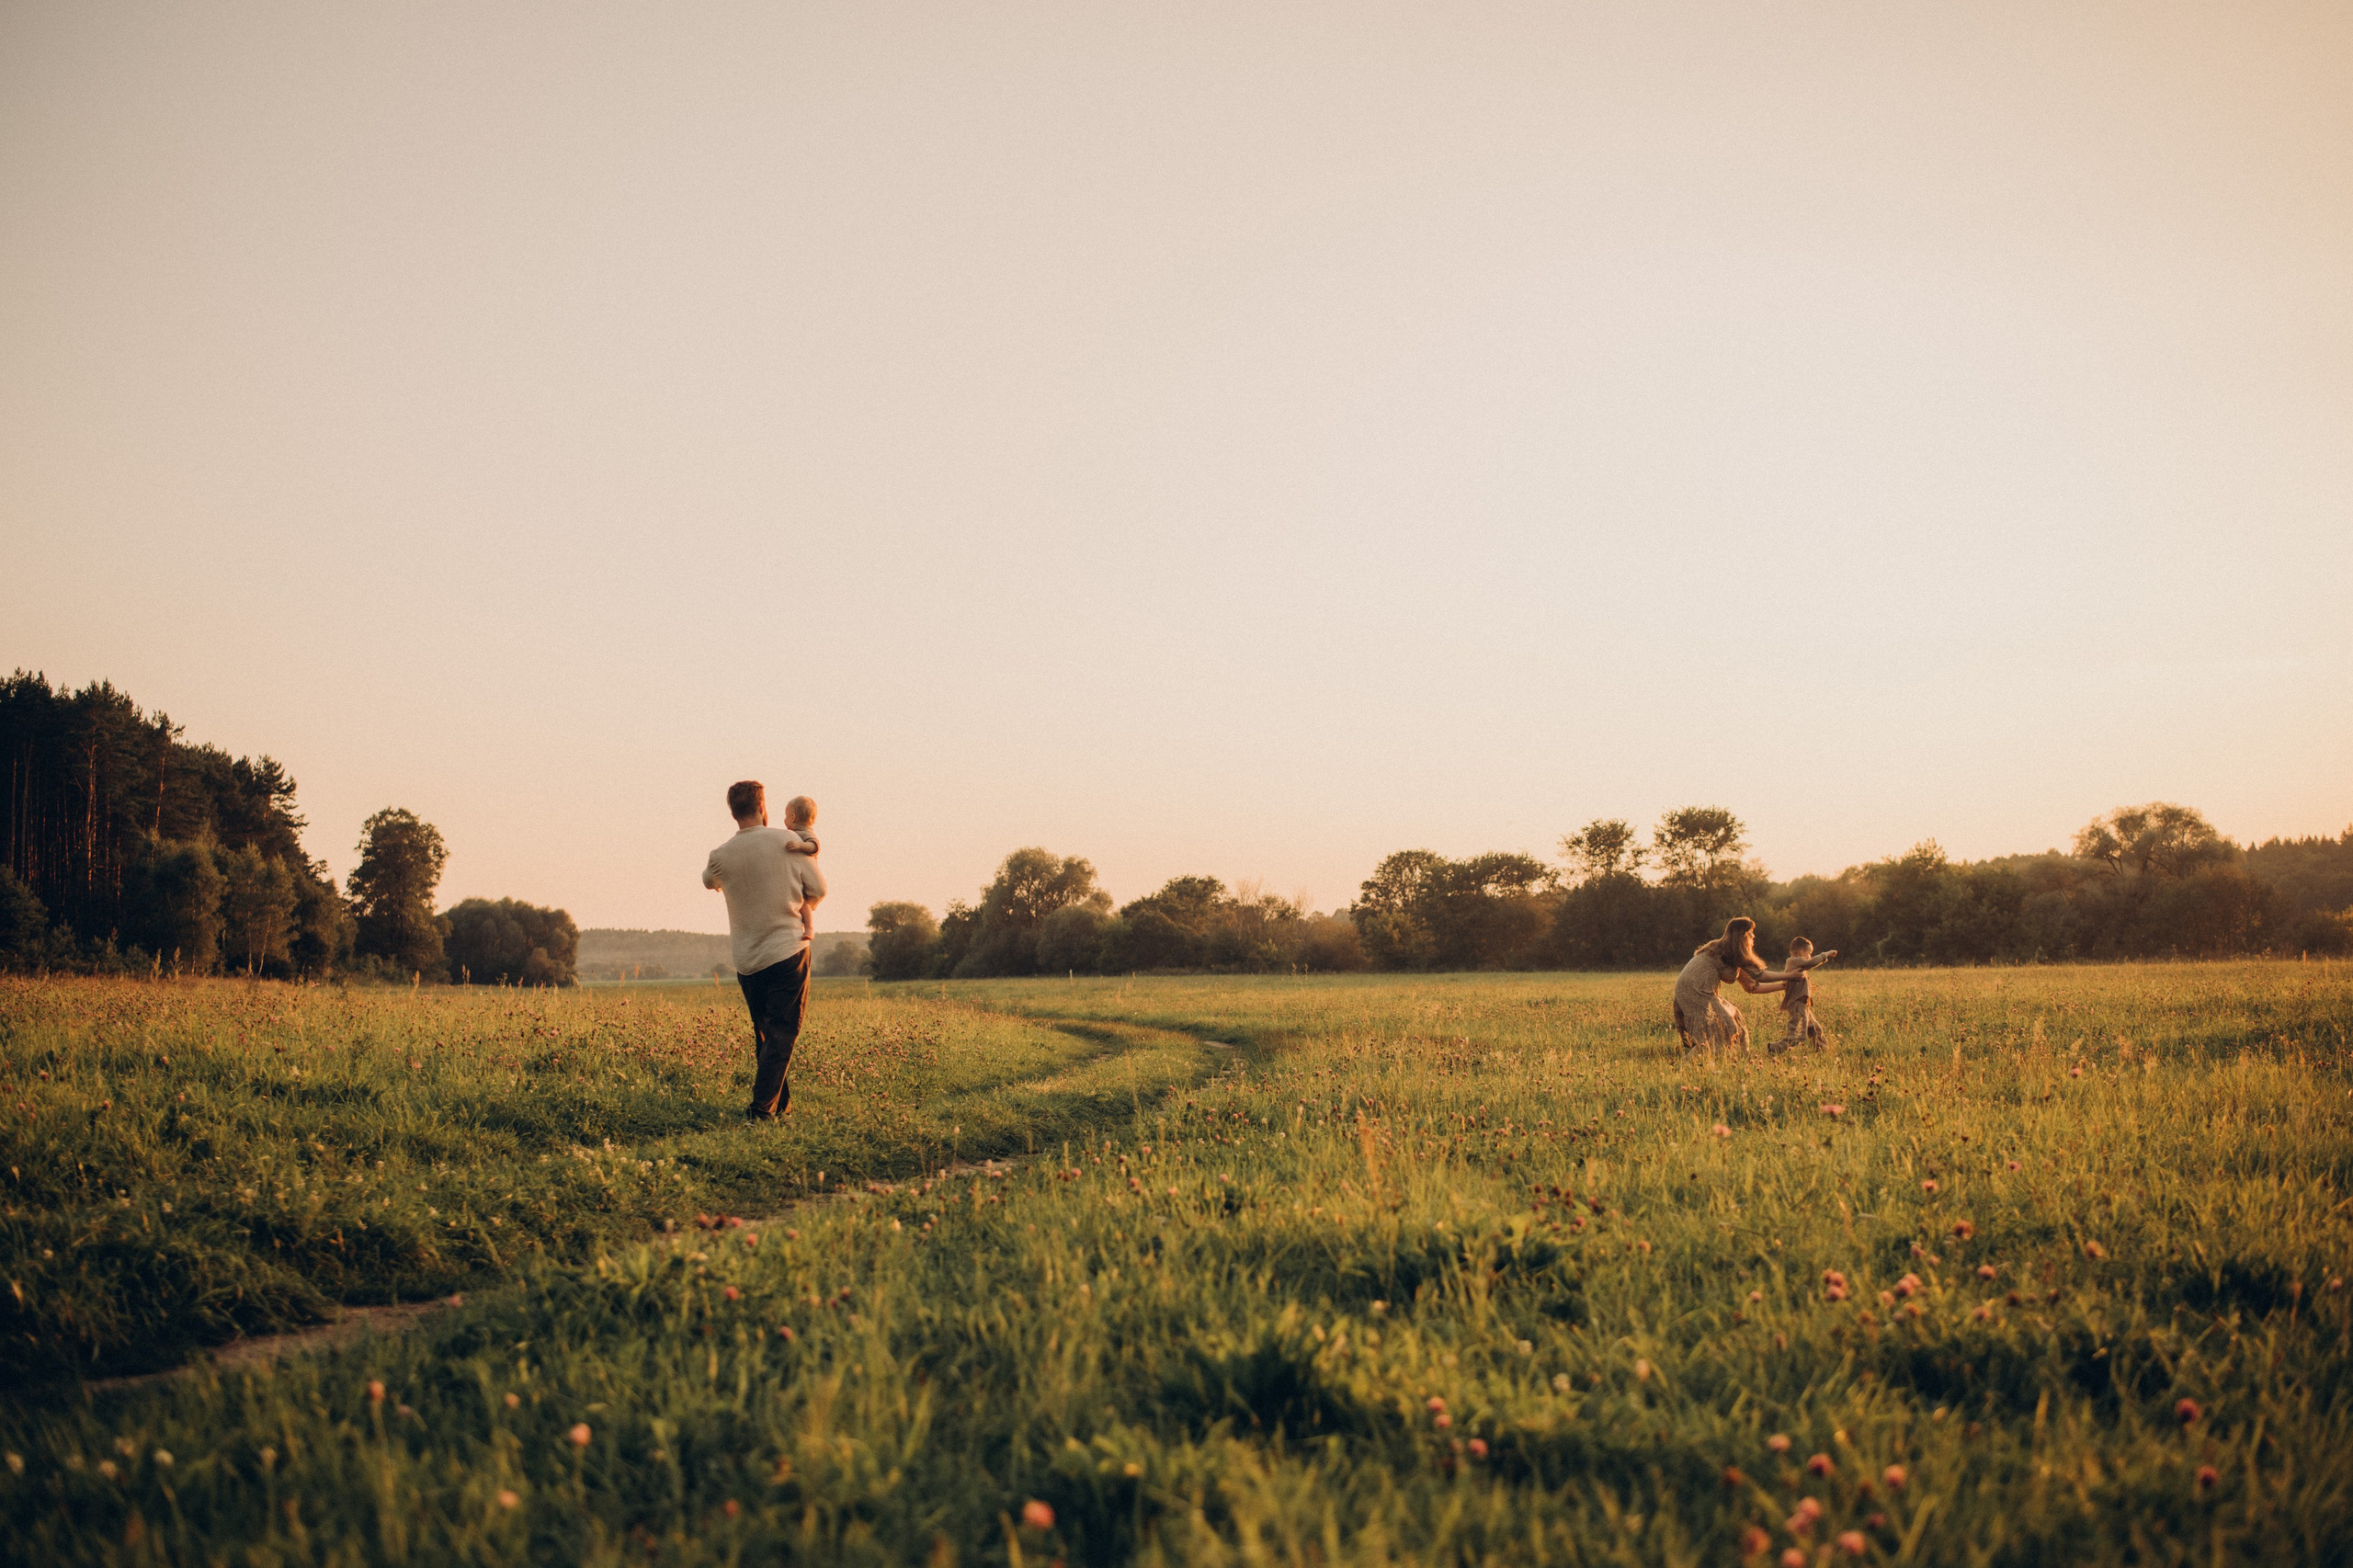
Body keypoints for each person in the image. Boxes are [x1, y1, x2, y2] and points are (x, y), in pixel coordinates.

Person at [702, 781, 825, 1119]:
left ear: (733, 812)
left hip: (747, 960)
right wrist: (800, 905)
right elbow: (819, 888)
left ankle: (778, 1104)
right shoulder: (789, 844)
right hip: (788, 949)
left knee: (767, 1034)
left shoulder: (720, 856)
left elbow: (708, 881)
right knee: (782, 1033)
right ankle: (761, 1111)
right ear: (763, 806)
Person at [1671, 915, 1777, 1051]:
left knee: (1734, 1019)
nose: (1754, 936)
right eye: (1750, 933)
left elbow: (1751, 986)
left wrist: (1783, 985)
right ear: (1742, 936)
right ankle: (1691, 1064)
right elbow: (1760, 976)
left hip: (1699, 991)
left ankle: (1735, 1056)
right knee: (1723, 1030)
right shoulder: (1723, 952)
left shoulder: (1732, 954)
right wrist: (1791, 976)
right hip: (1696, 992)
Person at [1760, 937, 1837, 1052]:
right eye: (1809, 953)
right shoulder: (1793, 961)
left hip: (1802, 1003)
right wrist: (1826, 954)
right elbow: (1812, 963)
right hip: (1797, 1004)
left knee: (1815, 1028)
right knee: (1797, 1035)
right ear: (1801, 953)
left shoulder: (1797, 964)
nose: (1810, 957)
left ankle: (1823, 1052)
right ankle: (1773, 1049)